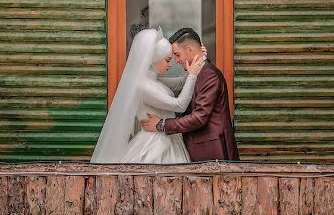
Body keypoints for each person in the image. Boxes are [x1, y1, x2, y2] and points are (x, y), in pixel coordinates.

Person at [90, 27, 204, 164]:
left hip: (167, 139)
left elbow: (180, 84)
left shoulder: (152, 79)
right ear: (154, 59)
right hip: (154, 144)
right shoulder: (143, 86)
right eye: (167, 60)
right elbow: (179, 105)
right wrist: (192, 75)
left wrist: (200, 59)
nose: (170, 64)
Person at [141, 27, 239, 162]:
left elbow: (200, 117)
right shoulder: (199, 72)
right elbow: (178, 84)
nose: (176, 61)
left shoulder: (209, 75)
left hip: (211, 151)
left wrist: (162, 124)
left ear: (190, 50)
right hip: (201, 149)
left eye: (177, 55)